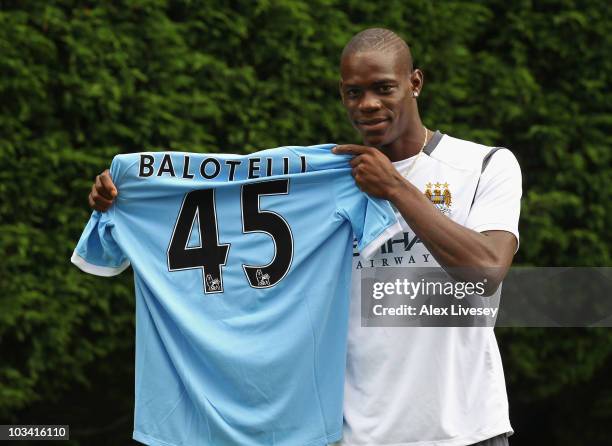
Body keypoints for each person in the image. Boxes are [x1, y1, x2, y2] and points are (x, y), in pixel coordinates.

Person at [89, 28, 521, 446]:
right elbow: (220, 208)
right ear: (341, 95)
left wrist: (395, 189)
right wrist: (132, 199)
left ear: (415, 83)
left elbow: (485, 271)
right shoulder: (322, 179)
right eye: (354, 92)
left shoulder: (484, 165)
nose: (368, 104)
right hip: (352, 435)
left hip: (466, 430)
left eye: (383, 88)